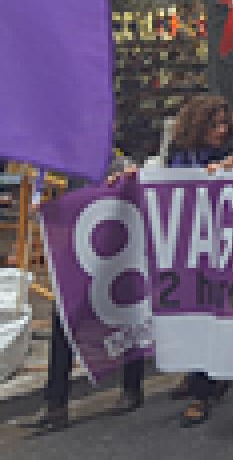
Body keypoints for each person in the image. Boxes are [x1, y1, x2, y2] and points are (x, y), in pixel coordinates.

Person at [21, 154, 145, 433]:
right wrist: (49, 212)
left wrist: (130, 177)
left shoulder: (118, 163)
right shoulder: (74, 167)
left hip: (114, 257)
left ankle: (132, 387)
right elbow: (74, 210)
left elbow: (137, 192)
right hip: (82, 259)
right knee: (63, 322)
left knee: (127, 319)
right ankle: (56, 404)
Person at [166, 94, 233, 427]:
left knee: (212, 316)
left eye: (224, 124)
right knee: (190, 314)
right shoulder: (179, 152)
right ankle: (200, 376)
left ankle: (203, 392)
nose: (221, 131)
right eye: (214, 125)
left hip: (220, 248)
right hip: (186, 244)